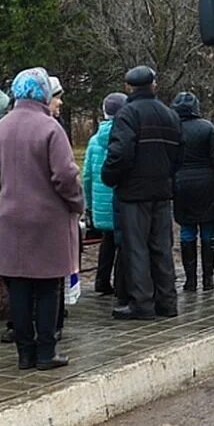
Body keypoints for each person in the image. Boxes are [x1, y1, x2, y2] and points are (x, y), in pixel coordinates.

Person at [0, 67, 84, 370]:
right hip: (48, 221)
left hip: (10, 222)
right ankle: (46, 351)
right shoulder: (50, 128)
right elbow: (65, 176)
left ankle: (24, 353)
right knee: (48, 287)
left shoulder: (0, 129)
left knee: (20, 289)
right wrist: (77, 203)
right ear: (43, 93)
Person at [101, 65, 182, 320]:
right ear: (153, 85)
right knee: (162, 248)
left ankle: (142, 304)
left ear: (129, 87)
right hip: (162, 191)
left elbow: (120, 153)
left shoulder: (127, 115)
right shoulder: (170, 115)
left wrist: (110, 177)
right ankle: (167, 302)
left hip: (134, 193)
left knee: (136, 249)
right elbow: (180, 153)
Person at [171, 91, 214, 292]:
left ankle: (190, 280)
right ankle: (208, 278)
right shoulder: (207, 128)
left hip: (181, 185)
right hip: (208, 185)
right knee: (207, 230)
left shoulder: (173, 129)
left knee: (187, 230)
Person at [83, 92, 127, 296]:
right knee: (122, 244)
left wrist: (90, 205)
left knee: (107, 242)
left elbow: (87, 176)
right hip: (120, 201)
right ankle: (121, 284)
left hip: (100, 204)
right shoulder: (126, 137)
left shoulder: (93, 141)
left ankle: (101, 279)